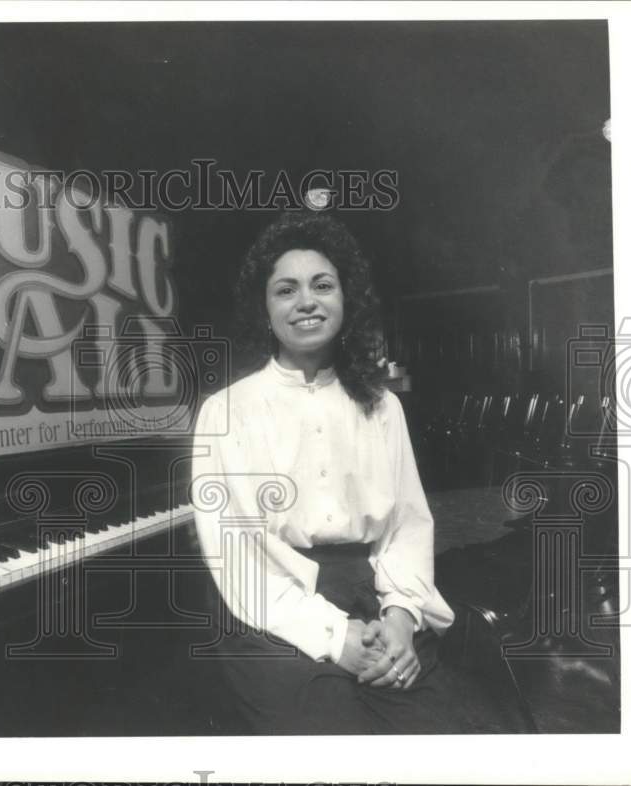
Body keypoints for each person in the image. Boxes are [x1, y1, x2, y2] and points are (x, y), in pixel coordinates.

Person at [191, 210, 511, 734]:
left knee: (448, 733)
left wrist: (402, 617)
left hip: (374, 593)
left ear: (346, 299)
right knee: (332, 738)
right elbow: (240, 560)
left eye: (322, 285)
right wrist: (334, 636)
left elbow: (407, 525)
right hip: (271, 611)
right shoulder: (226, 412)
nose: (307, 302)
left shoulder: (383, 406)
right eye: (285, 290)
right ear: (264, 308)